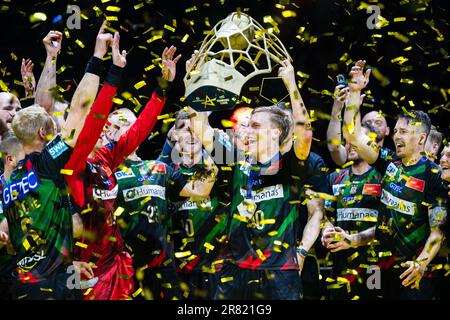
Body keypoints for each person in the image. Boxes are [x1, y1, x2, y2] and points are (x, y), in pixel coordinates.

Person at [0, 21, 115, 300]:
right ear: (43, 133)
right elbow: (77, 111)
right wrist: (98, 58)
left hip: (21, 279)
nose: (18, 111)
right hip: (41, 282)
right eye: (9, 107)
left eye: (19, 107)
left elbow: (41, 109)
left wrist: (62, 265)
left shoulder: (11, 173)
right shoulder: (42, 163)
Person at [64, 30, 181, 299]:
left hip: (116, 267)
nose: (105, 129)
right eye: (103, 124)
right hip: (87, 273)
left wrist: (163, 85)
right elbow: (95, 118)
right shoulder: (71, 164)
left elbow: (140, 130)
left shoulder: (105, 158)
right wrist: (113, 70)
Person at [190, 58, 313, 300]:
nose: (248, 131)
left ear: (275, 132)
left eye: (255, 125)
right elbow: (200, 126)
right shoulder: (237, 160)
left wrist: (291, 85)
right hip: (236, 269)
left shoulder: (290, 165)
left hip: (279, 271)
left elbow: (305, 131)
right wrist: (197, 80)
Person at [341, 60, 447, 300]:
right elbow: (352, 135)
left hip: (412, 271)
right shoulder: (388, 161)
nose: (396, 136)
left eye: (404, 132)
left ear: (421, 139)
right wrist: (355, 94)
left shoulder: (433, 176)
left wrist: (420, 264)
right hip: (378, 266)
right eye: (396, 131)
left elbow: (437, 232)